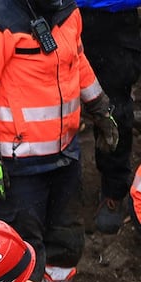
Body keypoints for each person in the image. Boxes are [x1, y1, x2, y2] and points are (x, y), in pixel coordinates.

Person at [0, 0, 119, 282]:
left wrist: (99, 107)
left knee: (67, 238)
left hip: (65, 154)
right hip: (18, 164)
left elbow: (77, 59)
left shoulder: (69, 12)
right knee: (20, 246)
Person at [78, 0, 141, 234]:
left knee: (115, 106)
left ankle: (113, 190)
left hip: (116, 20)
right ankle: (54, 189)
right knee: (52, 100)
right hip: (57, 14)